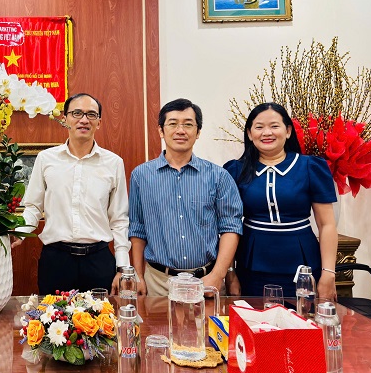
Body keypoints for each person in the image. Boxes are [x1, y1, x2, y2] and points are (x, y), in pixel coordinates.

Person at [16, 92, 130, 295]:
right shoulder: (46, 159)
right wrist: (20, 233)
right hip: (56, 260)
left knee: (100, 316)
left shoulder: (113, 163)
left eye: (91, 114)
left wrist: (123, 267)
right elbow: (33, 207)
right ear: (65, 119)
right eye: (77, 113)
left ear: (99, 122)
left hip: (98, 261)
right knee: (52, 315)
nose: (84, 120)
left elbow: (119, 219)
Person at [129, 98, 244, 297]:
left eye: (188, 124)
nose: (180, 130)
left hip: (207, 280)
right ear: (161, 130)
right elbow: (137, 228)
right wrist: (138, 275)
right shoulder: (141, 176)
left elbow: (231, 227)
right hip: (158, 282)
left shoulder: (218, 176)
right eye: (173, 123)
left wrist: (218, 275)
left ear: (198, 132)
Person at [223, 102, 338, 300]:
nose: (267, 132)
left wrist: (328, 273)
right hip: (251, 266)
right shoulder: (234, 170)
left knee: (302, 317)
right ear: (249, 134)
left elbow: (326, 224)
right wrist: (230, 271)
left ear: (288, 131)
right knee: (253, 317)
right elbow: (228, 225)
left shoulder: (310, 167)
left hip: (302, 266)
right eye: (259, 127)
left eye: (274, 126)